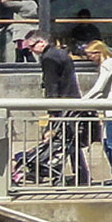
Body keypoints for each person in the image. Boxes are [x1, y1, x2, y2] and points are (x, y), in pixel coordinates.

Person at [23, 29, 88, 185]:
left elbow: (52, 85)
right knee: (71, 141)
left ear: (42, 43)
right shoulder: (61, 54)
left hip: (62, 103)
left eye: (32, 46)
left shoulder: (49, 58)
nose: (31, 50)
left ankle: (51, 172)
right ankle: (81, 175)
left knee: (61, 141)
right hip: (72, 101)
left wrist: (52, 112)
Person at [81, 40, 112, 186]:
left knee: (111, 143)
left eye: (90, 55)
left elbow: (99, 88)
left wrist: (82, 102)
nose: (90, 59)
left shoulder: (107, 64)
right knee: (107, 142)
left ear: (99, 52)